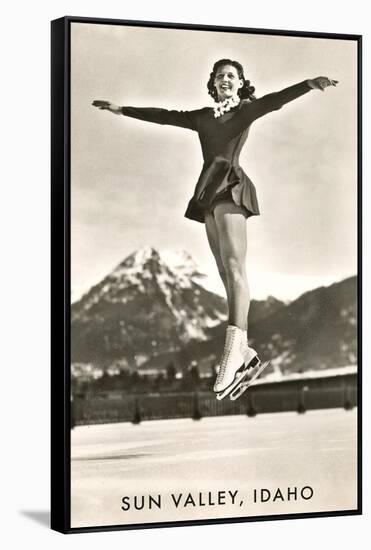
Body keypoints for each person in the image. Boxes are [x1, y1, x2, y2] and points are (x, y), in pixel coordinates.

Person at [92, 59, 338, 399]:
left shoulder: (246, 110)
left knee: (236, 267)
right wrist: (122, 110)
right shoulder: (202, 117)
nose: (225, 79)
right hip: (208, 192)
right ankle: (246, 352)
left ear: (239, 83)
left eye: (231, 76)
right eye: (220, 75)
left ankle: (233, 350)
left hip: (232, 186)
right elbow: (164, 116)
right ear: (213, 83)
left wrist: (309, 84)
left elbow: (276, 100)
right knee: (224, 272)